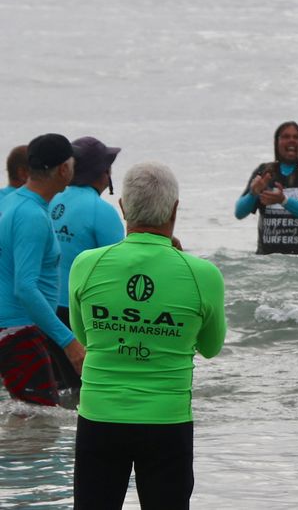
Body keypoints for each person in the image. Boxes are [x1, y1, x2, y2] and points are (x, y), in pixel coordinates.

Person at [69, 161, 226, 509]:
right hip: (167, 421)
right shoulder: (203, 275)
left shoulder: (86, 264)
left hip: (100, 418)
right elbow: (211, 347)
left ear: (123, 207)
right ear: (174, 210)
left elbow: (85, 335)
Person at [0, 134, 85, 406]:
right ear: (63, 169)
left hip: (16, 329)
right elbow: (25, 287)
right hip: (18, 331)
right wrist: (68, 342)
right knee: (36, 424)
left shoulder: (15, 202)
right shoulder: (31, 215)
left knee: (33, 422)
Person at [45, 136, 125, 397]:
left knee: (53, 392)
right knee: (85, 392)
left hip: (40, 312)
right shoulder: (101, 211)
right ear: (103, 173)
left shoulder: (49, 200)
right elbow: (121, 273)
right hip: (75, 317)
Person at [235, 121, 298, 261]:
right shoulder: (264, 171)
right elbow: (239, 213)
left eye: (297, 137)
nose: (291, 140)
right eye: (285, 136)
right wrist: (253, 194)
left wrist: (283, 200)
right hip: (266, 263)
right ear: (276, 143)